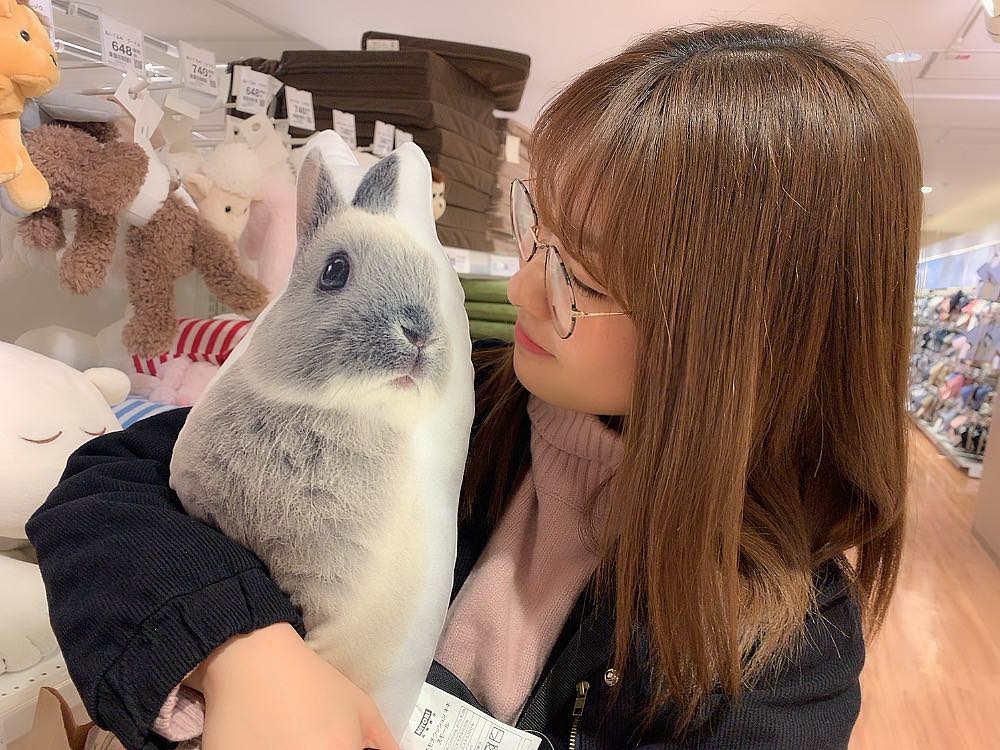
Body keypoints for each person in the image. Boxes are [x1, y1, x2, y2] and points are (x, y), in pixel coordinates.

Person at [27, 21, 921, 750]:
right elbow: (107, 488)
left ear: (741, 343)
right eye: (537, 226)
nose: (523, 287)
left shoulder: (785, 658)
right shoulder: (461, 392)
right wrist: (240, 649)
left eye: (582, 278)